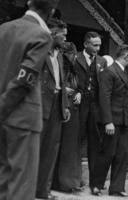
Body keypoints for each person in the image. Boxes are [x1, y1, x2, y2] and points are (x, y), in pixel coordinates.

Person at [0, 0, 58, 200]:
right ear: (51, 12)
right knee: (22, 183)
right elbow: (25, 79)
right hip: (22, 117)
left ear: (28, 3)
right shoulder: (42, 35)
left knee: (4, 178)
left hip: (4, 116)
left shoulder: (4, 29)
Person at [90, 44, 128, 197]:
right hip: (112, 120)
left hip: (123, 121)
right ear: (127, 56)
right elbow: (104, 98)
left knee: (122, 154)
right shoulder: (109, 72)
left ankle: (117, 188)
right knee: (107, 153)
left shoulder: (123, 71)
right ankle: (96, 184)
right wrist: (108, 121)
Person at [36, 18, 70, 200]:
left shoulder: (60, 55)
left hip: (56, 107)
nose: (65, 39)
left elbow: (61, 83)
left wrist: (65, 105)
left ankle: (43, 191)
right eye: (63, 36)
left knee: (51, 151)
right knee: (34, 149)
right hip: (39, 107)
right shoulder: (38, 51)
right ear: (53, 34)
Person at [75, 31, 107, 188]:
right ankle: (75, 179)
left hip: (95, 107)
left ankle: (95, 181)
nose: (97, 48)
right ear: (85, 44)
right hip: (79, 106)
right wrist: (77, 92)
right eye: (94, 45)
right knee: (76, 140)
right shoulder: (75, 59)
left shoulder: (102, 61)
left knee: (95, 143)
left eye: (99, 45)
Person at [51, 42, 82, 193]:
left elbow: (79, 85)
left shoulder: (72, 69)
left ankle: (71, 181)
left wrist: (79, 92)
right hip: (63, 106)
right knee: (64, 146)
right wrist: (64, 89)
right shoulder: (58, 67)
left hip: (73, 108)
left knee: (70, 146)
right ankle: (63, 182)